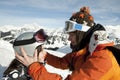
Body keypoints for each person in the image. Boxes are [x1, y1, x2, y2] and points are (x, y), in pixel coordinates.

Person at [15, 6, 120, 80]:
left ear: (81, 33)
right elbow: (64, 62)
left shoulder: (102, 59)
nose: (69, 39)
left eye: (72, 35)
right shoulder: (86, 50)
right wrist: (45, 55)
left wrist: (35, 68)